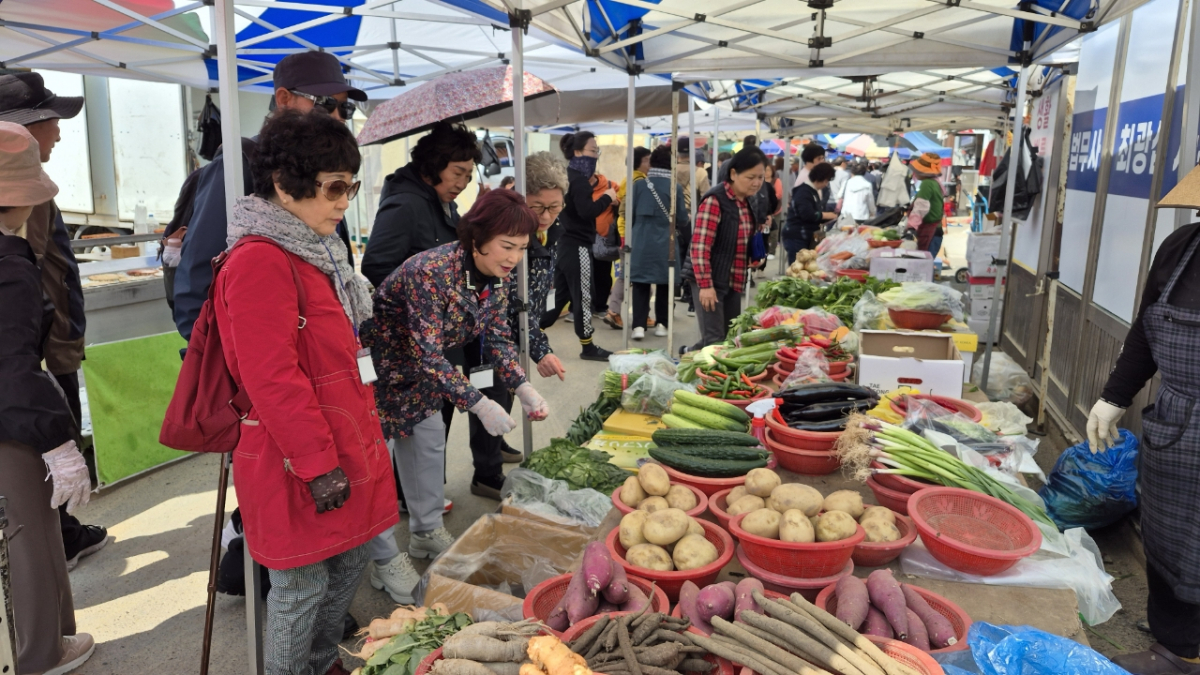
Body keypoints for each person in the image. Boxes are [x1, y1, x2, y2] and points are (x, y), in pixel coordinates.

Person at [213, 109, 395, 675]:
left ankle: (322, 663)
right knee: (299, 580)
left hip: (347, 434)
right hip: (297, 452)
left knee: (351, 558)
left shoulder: (319, 251)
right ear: (284, 186)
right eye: (334, 187)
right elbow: (271, 378)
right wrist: (318, 465)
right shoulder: (259, 259)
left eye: (351, 185)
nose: (345, 201)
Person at [366, 189, 548, 561]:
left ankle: (426, 532)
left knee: (429, 444)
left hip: (424, 372)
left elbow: (496, 334)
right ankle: (383, 558)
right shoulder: (430, 271)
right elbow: (428, 354)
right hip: (378, 370)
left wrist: (521, 384)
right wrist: (479, 403)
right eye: (506, 246)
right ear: (477, 238)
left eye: (522, 248)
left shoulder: (498, 274)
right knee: (376, 464)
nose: (514, 258)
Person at [174, 50, 363, 342]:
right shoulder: (238, 165)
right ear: (285, 98)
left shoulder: (327, 166)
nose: (339, 116)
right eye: (326, 104)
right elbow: (197, 280)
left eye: (345, 108)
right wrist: (228, 359)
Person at [0, 72, 110, 571]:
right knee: (45, 458)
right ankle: (61, 539)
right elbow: (39, 283)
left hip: (36, 351)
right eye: (51, 121)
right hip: (34, 355)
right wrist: (59, 348)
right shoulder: (20, 203)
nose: (59, 133)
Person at [0, 121, 96, 675]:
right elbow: (12, 367)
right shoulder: (9, 268)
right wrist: (56, 439)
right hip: (11, 418)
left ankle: (47, 641)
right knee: (29, 530)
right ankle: (41, 653)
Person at [1090, 209, 1200, 675]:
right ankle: (1179, 648)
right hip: (1180, 426)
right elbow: (1145, 331)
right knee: (1168, 540)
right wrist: (1114, 396)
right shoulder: (1182, 247)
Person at [468, 152, 571, 502]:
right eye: (538, 207)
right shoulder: (503, 233)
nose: (546, 217)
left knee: (507, 393)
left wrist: (538, 344)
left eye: (555, 207)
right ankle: (486, 472)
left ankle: (496, 444)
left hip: (517, 330)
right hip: (491, 335)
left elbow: (531, 304)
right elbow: (503, 311)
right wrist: (538, 349)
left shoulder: (549, 232)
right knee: (491, 393)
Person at [541, 131, 617, 360]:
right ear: (577, 152)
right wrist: (607, 197)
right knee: (584, 295)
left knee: (560, 295)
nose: (596, 155)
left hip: (563, 244)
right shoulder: (580, 182)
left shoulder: (565, 176)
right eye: (593, 151)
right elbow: (587, 211)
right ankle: (588, 346)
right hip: (578, 245)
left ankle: (532, 333)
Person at [685, 147, 767, 349]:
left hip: (734, 279)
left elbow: (744, 236)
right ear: (733, 173)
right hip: (710, 279)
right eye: (750, 177)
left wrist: (753, 254)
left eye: (761, 177)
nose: (756, 183)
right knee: (715, 341)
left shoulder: (749, 201)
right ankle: (705, 376)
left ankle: (687, 353)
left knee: (728, 337)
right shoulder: (715, 200)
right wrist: (705, 285)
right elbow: (699, 247)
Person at [629, 146, 687, 340]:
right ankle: (662, 323)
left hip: (641, 241)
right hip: (666, 242)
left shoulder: (638, 185)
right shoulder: (675, 187)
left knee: (640, 284)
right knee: (665, 283)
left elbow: (629, 214)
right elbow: (683, 218)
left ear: (652, 163)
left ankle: (638, 325)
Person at [605, 146, 651, 331]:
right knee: (636, 276)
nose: (650, 163)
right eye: (647, 159)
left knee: (627, 275)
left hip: (627, 235)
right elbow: (625, 213)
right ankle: (615, 311)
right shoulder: (637, 181)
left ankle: (621, 311)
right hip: (631, 237)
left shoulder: (629, 180)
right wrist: (625, 237)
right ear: (638, 162)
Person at [783, 162, 837, 264]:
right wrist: (826, 215)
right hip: (797, 236)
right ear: (819, 178)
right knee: (798, 269)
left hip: (806, 236)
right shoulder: (803, 192)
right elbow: (807, 214)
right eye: (826, 180)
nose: (826, 184)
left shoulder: (812, 191)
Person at [907, 152, 945, 255]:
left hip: (930, 233)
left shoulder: (927, 183)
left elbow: (921, 207)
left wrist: (911, 227)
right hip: (936, 232)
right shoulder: (935, 182)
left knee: (923, 267)